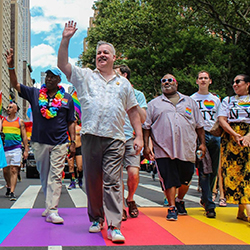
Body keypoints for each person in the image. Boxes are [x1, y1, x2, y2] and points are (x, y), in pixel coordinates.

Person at [57, 21, 143, 243]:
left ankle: (114, 225)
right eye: (98, 53)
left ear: (114, 58)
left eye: (106, 52)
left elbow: (133, 110)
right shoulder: (84, 76)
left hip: (115, 138)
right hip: (91, 136)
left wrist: (139, 135)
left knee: (113, 181)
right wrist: (66, 39)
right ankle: (96, 218)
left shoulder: (124, 85)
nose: (101, 55)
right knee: (92, 181)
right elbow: (63, 64)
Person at [5, 48, 76, 224]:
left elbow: (71, 122)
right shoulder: (35, 93)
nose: (49, 79)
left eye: (53, 76)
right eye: (47, 76)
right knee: (44, 175)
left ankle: (53, 209)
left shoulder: (67, 99)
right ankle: (48, 204)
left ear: (59, 80)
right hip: (39, 142)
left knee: (56, 175)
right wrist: (11, 67)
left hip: (60, 142)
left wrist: (72, 141)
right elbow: (16, 85)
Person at [143, 73, 206, 221]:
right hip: (163, 149)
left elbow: (199, 125)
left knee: (186, 177)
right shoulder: (154, 104)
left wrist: (202, 144)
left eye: (170, 80)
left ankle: (179, 200)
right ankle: (171, 207)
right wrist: (146, 146)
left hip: (187, 147)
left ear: (176, 84)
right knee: (169, 178)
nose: (166, 83)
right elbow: (146, 127)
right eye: (163, 81)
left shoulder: (190, 102)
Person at [114, 64, 147, 221]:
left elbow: (143, 118)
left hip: (131, 138)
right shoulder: (112, 92)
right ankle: (120, 206)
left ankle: (131, 198)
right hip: (114, 138)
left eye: (117, 73)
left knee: (133, 173)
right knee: (116, 175)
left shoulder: (138, 94)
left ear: (125, 75)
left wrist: (133, 100)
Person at [218, 74, 250, 223]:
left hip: (248, 135)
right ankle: (243, 209)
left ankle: (245, 209)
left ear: (248, 84)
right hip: (232, 139)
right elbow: (222, 120)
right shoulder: (228, 100)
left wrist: (248, 136)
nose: (235, 84)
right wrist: (235, 134)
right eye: (233, 82)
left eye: (238, 81)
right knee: (234, 172)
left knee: (248, 173)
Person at [190, 71, 221, 218]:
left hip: (214, 135)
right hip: (199, 136)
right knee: (203, 169)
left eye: (205, 78)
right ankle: (210, 205)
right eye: (200, 78)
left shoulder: (215, 99)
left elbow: (220, 117)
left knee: (214, 169)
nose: (203, 80)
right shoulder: (191, 99)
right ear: (196, 81)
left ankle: (206, 197)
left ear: (210, 81)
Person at [0, 101, 28, 201]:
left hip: (16, 148)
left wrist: (26, 149)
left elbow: (24, 136)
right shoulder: (3, 121)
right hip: (5, 149)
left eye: (10, 107)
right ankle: (8, 185)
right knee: (5, 170)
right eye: (7, 107)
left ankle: (12, 192)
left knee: (14, 169)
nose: (8, 109)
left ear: (15, 110)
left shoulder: (19, 121)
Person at [67, 117, 83, 189]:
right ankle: (72, 181)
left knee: (80, 167)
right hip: (70, 148)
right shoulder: (68, 128)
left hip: (79, 148)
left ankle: (79, 178)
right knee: (71, 166)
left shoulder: (80, 128)